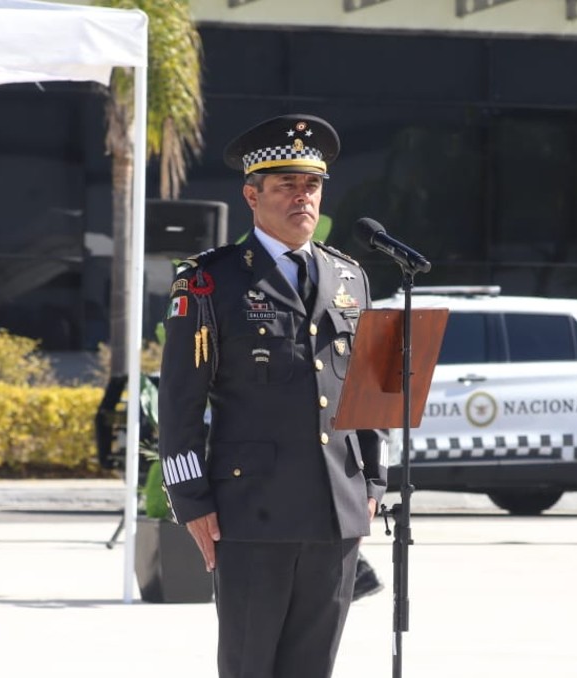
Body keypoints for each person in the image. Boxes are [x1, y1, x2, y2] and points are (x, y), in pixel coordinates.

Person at [158, 113, 387, 678]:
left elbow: (369, 392)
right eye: (286, 185)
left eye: (312, 185)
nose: (302, 197)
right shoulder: (210, 281)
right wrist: (191, 500)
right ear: (251, 196)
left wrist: (374, 483)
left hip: (336, 510)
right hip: (250, 513)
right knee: (250, 665)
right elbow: (180, 404)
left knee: (314, 667)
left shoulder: (349, 278)